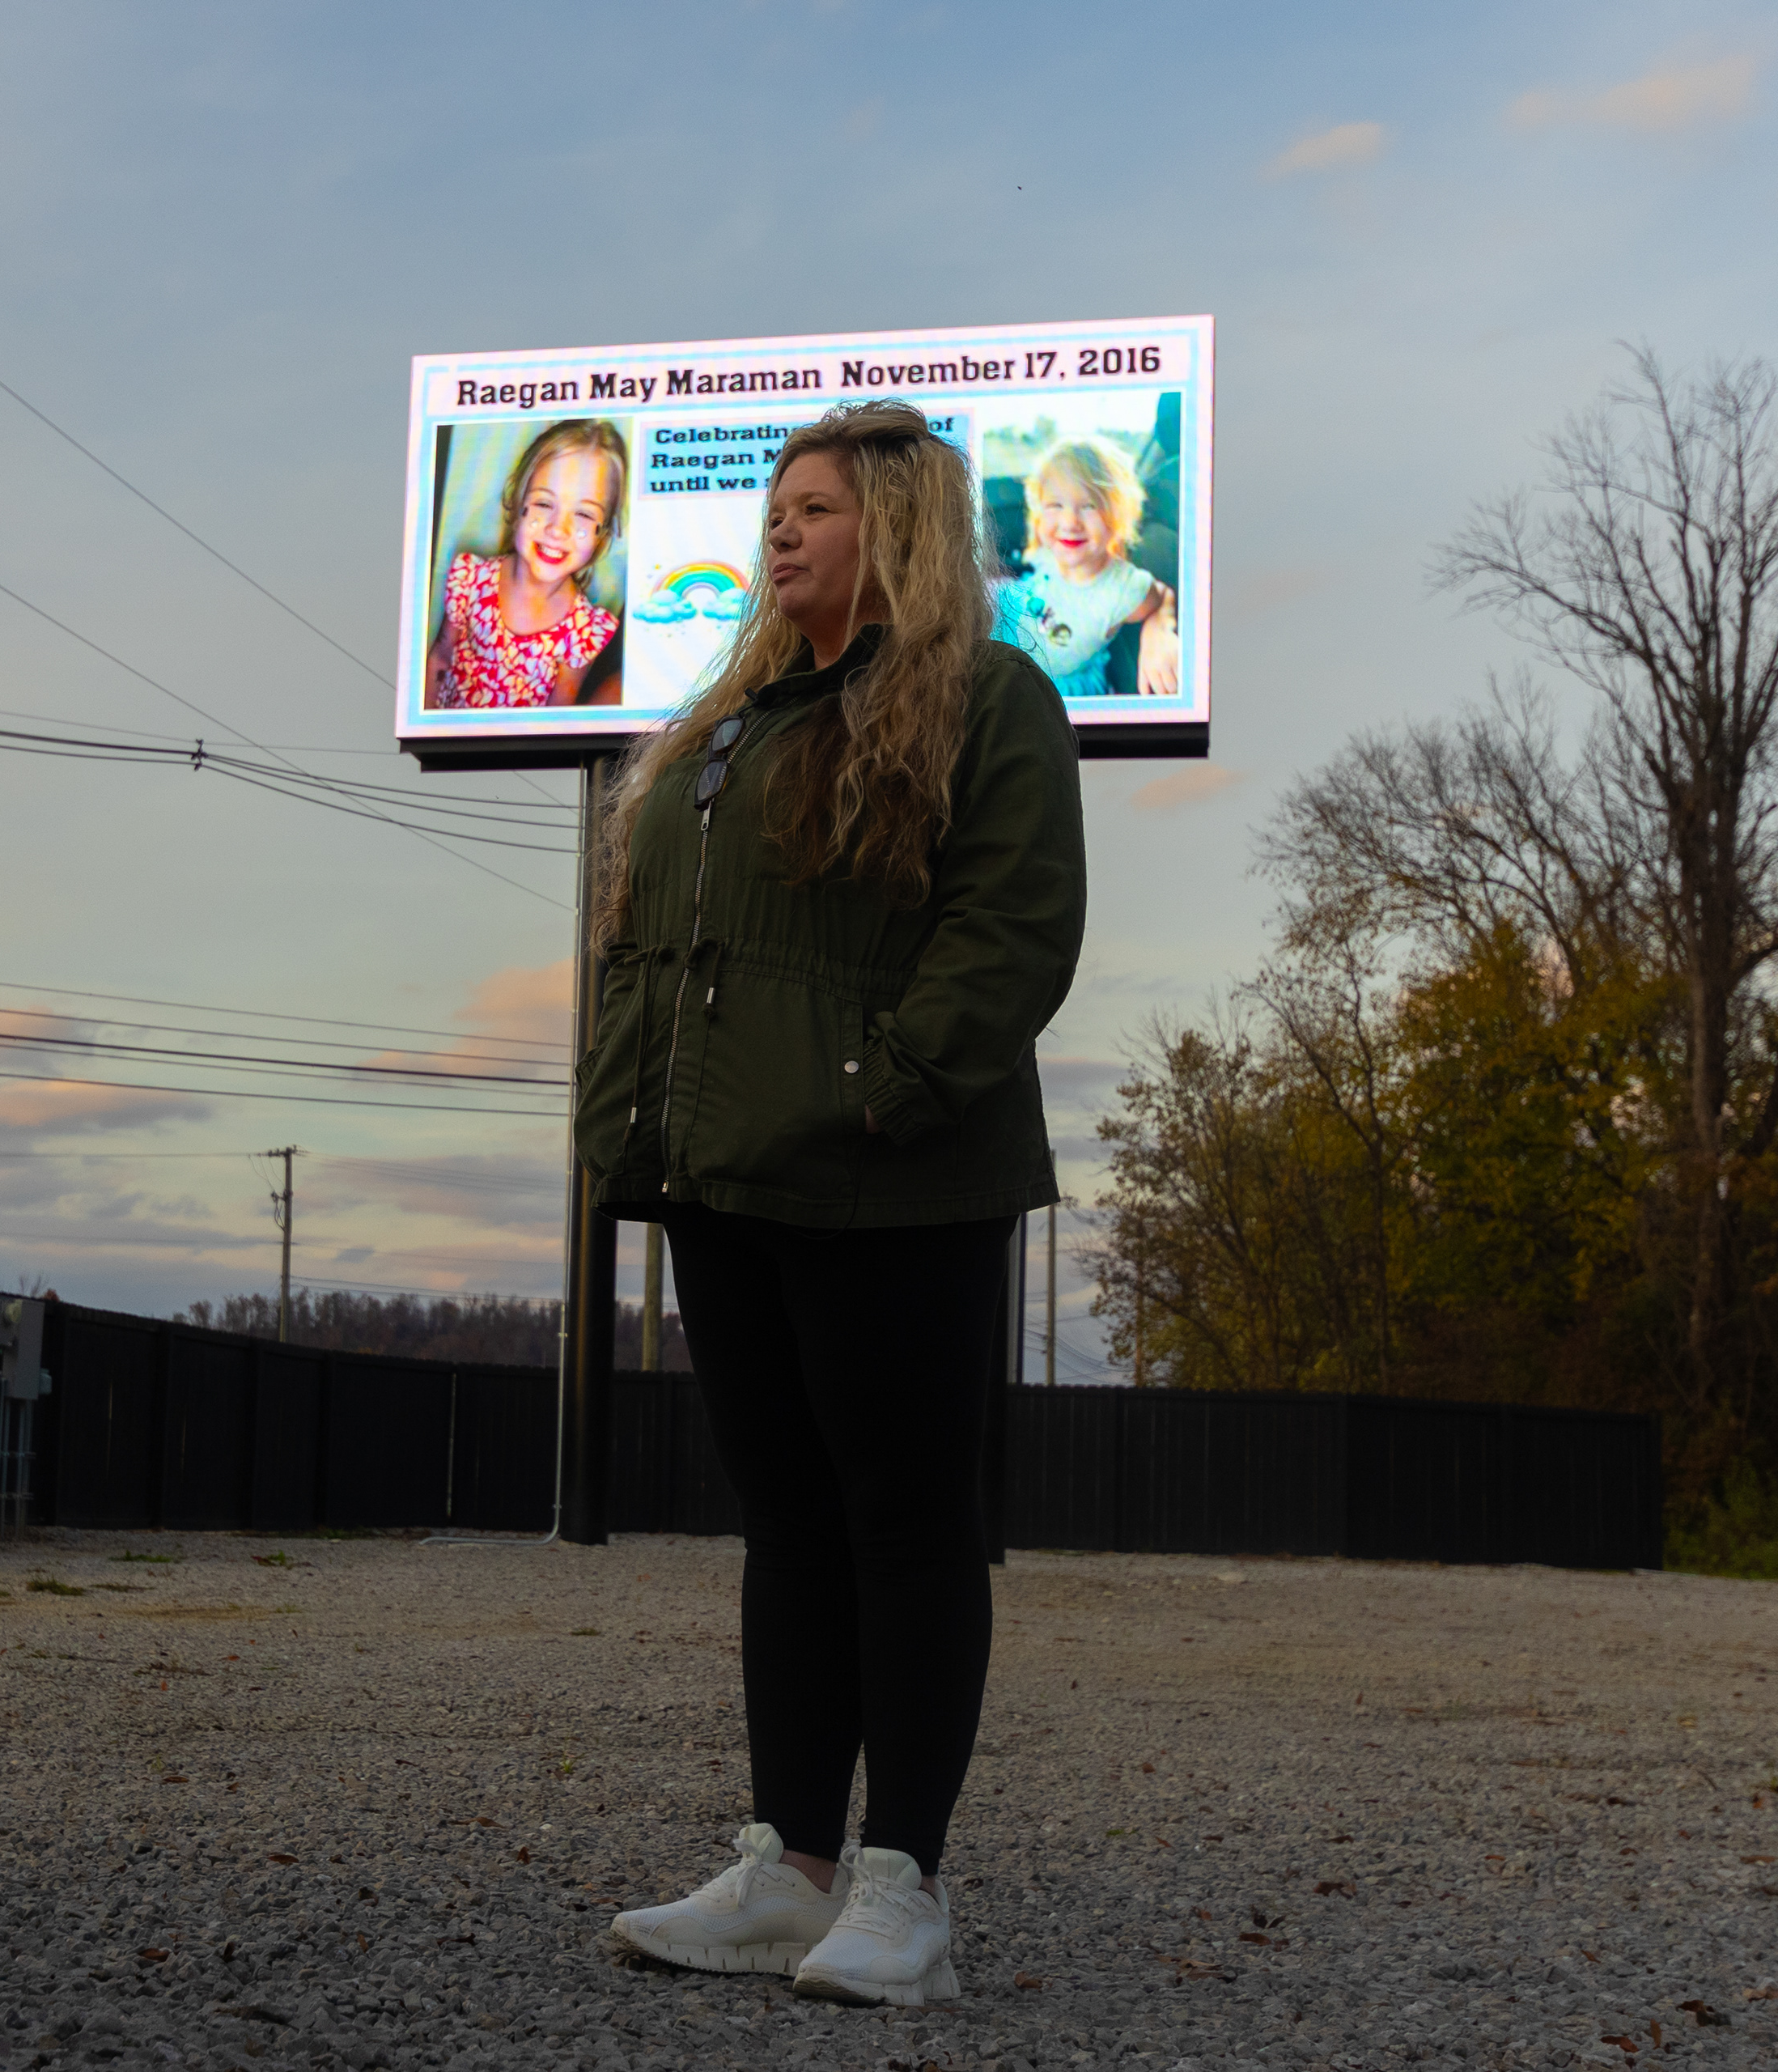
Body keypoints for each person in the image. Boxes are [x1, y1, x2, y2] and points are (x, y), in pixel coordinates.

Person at [579, 401, 1086, 2006]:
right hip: (727, 1178)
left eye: (817, 507)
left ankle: (900, 1884)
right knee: (790, 1522)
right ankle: (790, 1868)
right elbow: (649, 950)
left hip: (897, 1184)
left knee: (908, 1522)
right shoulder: (730, 720)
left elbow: (1011, 931)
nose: (780, 530)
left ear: (902, 528)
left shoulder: (992, 698)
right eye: (775, 508)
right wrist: (629, 1127)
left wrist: (878, 1090)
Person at [426, 417, 627, 708]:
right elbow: (440, 660)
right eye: (544, 504)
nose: (558, 530)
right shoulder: (470, 580)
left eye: (583, 514)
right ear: (517, 501)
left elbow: (559, 712)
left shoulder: (583, 631)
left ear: (602, 538)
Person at [992, 432, 1177, 697]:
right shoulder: (1052, 553)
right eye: (1055, 505)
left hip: (1051, 688)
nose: (1069, 522)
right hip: (1020, 627)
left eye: (1089, 506)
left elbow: (1161, 595)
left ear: (1117, 515)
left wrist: (1160, 626)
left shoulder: (1122, 589)